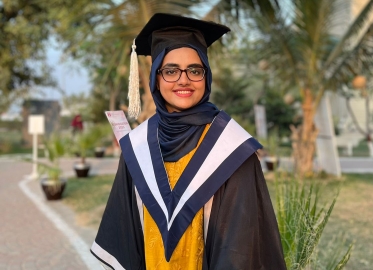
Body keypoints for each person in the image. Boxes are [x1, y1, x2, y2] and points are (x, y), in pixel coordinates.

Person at [91, 13, 286, 270]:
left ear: (206, 76)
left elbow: (239, 248)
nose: (184, 79)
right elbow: (124, 234)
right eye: (170, 70)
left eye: (195, 70)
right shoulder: (136, 147)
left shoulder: (232, 147)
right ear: (156, 79)